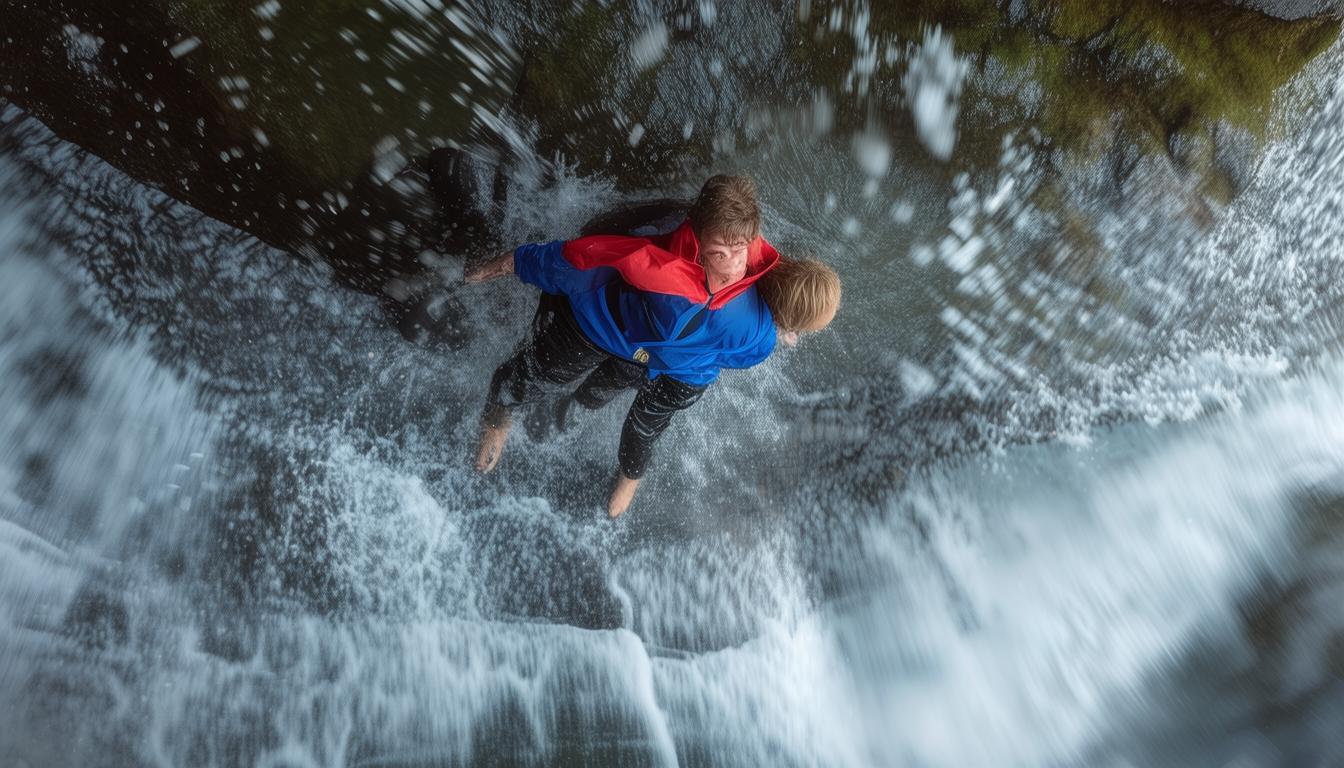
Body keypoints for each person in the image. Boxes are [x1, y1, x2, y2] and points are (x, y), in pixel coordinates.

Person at [467, 175, 839, 517]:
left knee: (617, 405)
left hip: (656, 358)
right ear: (698, 243)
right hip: (602, 325)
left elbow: (765, 285)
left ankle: (618, 462)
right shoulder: (661, 269)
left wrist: (780, 322)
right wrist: (511, 262)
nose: (733, 266)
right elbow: (581, 258)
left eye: (740, 251)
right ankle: (498, 419)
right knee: (537, 373)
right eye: (720, 254)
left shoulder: (758, 291)